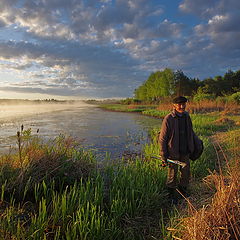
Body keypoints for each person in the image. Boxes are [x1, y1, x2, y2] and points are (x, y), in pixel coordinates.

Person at [159, 96, 196, 203]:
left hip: (185, 151)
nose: (182, 106)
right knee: (172, 175)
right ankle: (171, 197)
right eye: (179, 104)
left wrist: (194, 146)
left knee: (186, 174)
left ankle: (183, 193)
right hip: (173, 153)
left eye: (184, 104)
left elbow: (191, 133)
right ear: (174, 105)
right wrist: (163, 155)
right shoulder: (169, 118)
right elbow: (162, 138)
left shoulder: (187, 116)